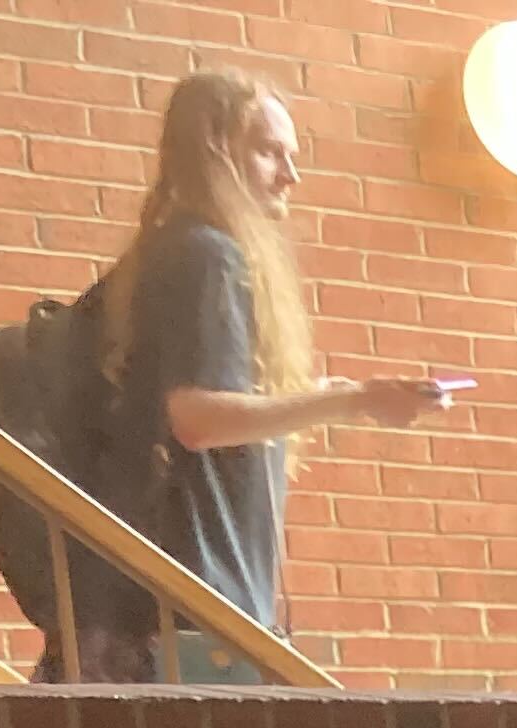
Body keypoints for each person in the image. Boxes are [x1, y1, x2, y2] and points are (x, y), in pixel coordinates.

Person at [82, 73, 454, 678]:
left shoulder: (169, 249)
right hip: (199, 604)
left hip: (164, 608)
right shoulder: (210, 254)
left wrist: (321, 397)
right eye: (269, 151)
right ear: (215, 150)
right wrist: (353, 402)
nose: (291, 175)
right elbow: (197, 418)